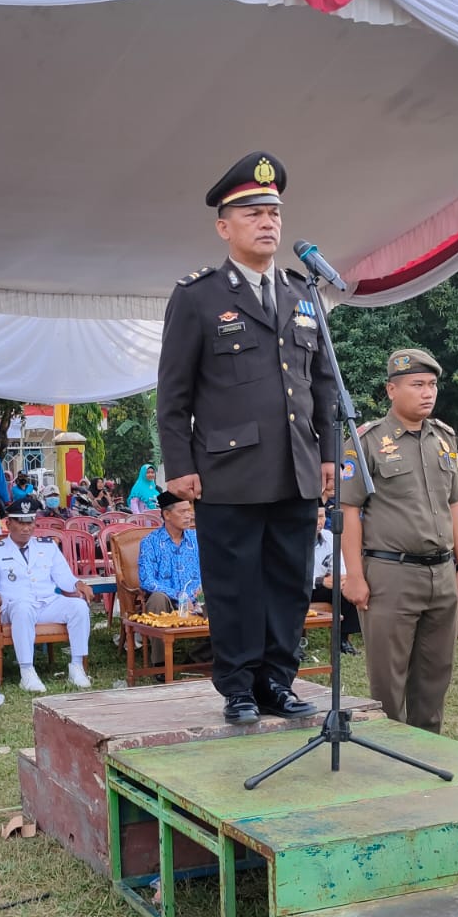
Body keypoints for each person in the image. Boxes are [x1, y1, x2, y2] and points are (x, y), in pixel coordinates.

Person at [155, 150, 337, 724]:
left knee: (288, 582)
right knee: (235, 584)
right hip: (227, 472)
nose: (267, 223)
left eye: (274, 213)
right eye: (253, 213)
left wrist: (330, 456)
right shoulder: (199, 296)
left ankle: (278, 683)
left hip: (297, 468)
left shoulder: (303, 294)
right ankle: (237, 686)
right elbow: (174, 395)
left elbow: (325, 387)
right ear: (224, 226)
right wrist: (179, 467)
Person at [339, 348, 458, 733]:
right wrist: (355, 576)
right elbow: (350, 511)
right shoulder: (366, 441)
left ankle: (428, 746)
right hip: (390, 574)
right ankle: (390, 754)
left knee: (435, 673)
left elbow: (456, 506)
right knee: (388, 677)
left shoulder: (444, 439)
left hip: (442, 573)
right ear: (391, 390)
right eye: (417, 385)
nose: (427, 393)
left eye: (431, 385)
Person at [0, 496, 95, 692]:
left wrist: (78, 584)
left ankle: (76, 666)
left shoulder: (47, 547)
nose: (26, 528)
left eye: (29, 522)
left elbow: (64, 577)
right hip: (15, 606)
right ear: (8, 523)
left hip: (46, 603)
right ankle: (27, 671)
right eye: (20, 523)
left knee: (79, 606)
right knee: (23, 608)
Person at [136, 490, 207, 666]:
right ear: (167, 514)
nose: (189, 516)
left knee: (221, 599)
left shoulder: (197, 538)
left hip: (197, 595)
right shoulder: (150, 542)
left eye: (189, 510)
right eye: (182, 512)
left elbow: (209, 570)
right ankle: (161, 663)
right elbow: (147, 580)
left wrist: (196, 594)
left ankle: (199, 657)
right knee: (157, 599)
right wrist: (179, 596)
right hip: (168, 597)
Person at [311, 506, 359, 654]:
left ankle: (342, 640)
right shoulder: (292, 540)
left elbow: (339, 568)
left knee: (347, 589)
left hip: (322, 586)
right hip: (298, 586)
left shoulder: (329, 537)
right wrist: (320, 581)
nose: (320, 521)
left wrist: (341, 579)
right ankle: (296, 644)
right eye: (316, 517)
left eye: (322, 516)